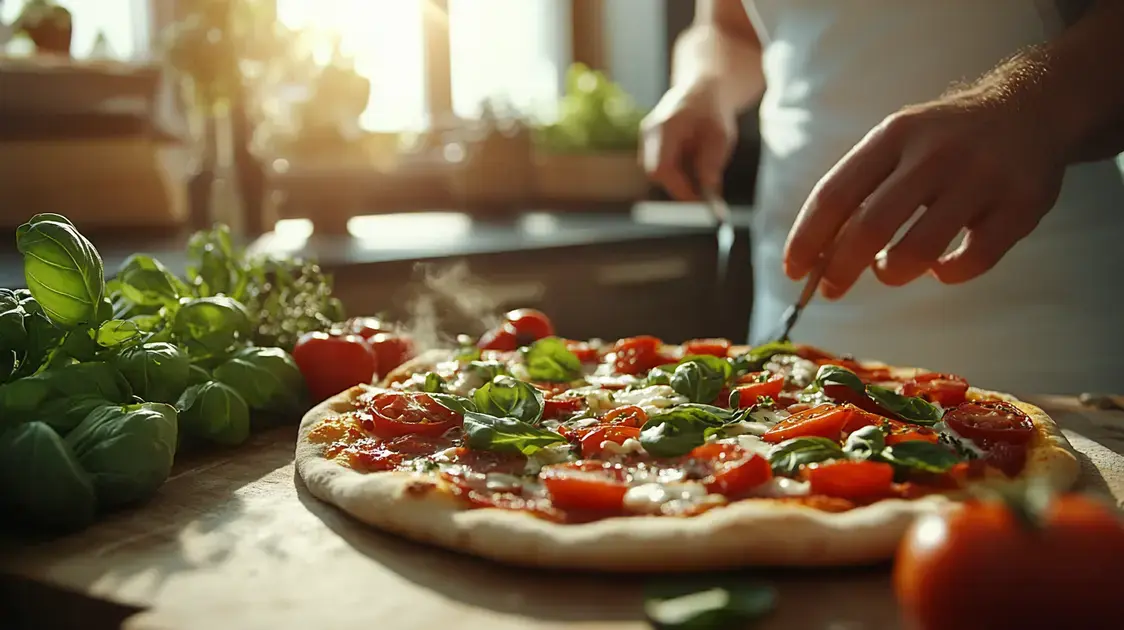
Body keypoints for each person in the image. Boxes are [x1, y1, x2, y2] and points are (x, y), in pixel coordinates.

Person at [641, 0, 1124, 395]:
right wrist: (703, 85)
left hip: (1043, 333)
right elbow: (730, 27)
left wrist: (1032, 107)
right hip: (793, 312)